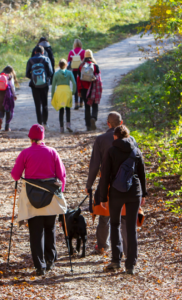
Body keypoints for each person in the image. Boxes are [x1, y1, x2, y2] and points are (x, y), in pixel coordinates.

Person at [11, 124, 67, 276]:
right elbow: (62, 175)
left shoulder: (25, 153)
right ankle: (50, 260)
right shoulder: (52, 152)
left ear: (30, 138)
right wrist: (60, 192)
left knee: (36, 232)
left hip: (32, 198)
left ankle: (39, 266)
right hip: (50, 197)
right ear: (43, 138)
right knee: (50, 228)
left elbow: (15, 176)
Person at [100, 125, 147, 275]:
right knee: (131, 228)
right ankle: (131, 264)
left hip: (116, 192)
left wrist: (102, 197)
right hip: (134, 192)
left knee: (115, 224)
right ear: (127, 136)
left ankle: (116, 260)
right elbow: (142, 173)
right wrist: (144, 194)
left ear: (115, 136)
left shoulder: (111, 151)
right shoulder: (136, 150)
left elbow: (105, 175)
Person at [85, 112, 129, 256]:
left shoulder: (101, 139)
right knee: (124, 216)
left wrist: (89, 184)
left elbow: (94, 165)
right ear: (121, 122)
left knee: (105, 215)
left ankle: (102, 246)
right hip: (126, 183)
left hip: (107, 183)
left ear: (108, 124)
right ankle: (126, 249)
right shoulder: (130, 139)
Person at [26, 46, 53, 130]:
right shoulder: (46, 59)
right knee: (45, 104)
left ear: (34, 52)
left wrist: (34, 79)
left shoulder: (30, 60)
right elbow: (51, 72)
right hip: (44, 85)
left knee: (37, 105)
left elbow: (27, 74)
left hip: (34, 86)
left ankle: (39, 124)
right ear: (42, 52)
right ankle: (45, 123)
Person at [77, 49, 101, 131]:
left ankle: (88, 126)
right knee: (95, 105)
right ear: (91, 56)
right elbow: (98, 79)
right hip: (93, 89)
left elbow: (78, 79)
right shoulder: (95, 66)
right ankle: (93, 117)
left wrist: (79, 91)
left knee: (87, 107)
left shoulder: (81, 66)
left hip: (84, 89)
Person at [51, 59, 76, 133]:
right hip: (67, 91)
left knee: (61, 110)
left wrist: (53, 96)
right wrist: (73, 92)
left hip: (59, 92)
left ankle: (61, 127)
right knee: (68, 109)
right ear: (66, 65)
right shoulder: (69, 73)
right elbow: (74, 83)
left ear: (59, 65)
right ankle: (68, 124)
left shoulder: (56, 74)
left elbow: (53, 86)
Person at [0, 65, 17, 131]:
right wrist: (14, 95)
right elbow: (12, 86)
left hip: (0, 94)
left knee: (1, 110)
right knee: (8, 110)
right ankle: (7, 127)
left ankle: (0, 118)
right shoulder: (9, 76)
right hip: (8, 94)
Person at [67, 39, 85, 110]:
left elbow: (68, 62)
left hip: (74, 70)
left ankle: (76, 102)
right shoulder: (83, 51)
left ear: (74, 44)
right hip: (82, 70)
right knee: (82, 85)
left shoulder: (71, 52)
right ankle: (81, 102)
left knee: (75, 85)